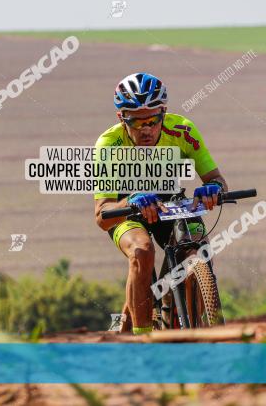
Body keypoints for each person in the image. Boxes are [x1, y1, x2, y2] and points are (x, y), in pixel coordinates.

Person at [93, 72, 227, 334]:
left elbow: (217, 179)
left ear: (163, 113)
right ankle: (144, 340)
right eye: (136, 122)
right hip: (127, 211)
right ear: (121, 118)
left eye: (153, 120)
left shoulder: (183, 131)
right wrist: (131, 199)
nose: (146, 129)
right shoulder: (108, 144)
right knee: (142, 251)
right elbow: (101, 214)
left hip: (170, 205)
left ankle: (197, 321)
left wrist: (213, 189)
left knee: (199, 247)